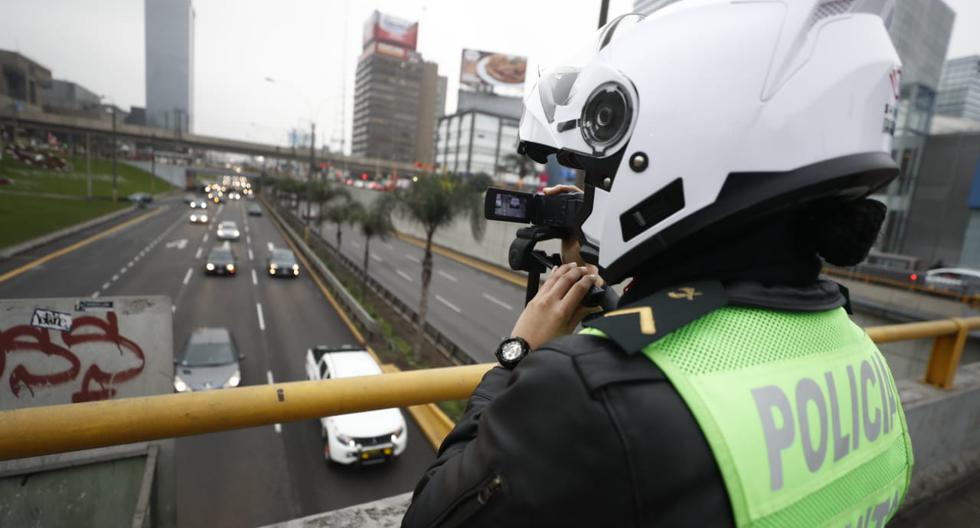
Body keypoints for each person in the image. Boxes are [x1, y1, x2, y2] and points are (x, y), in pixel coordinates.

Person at [402, 1, 913, 526]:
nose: (589, 193)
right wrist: (605, 283)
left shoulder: (580, 393)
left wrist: (521, 351)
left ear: (662, 150)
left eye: (597, 174)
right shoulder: (863, 360)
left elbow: (430, 515)